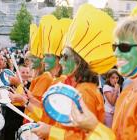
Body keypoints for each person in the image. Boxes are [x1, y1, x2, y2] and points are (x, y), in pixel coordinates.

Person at [31, 4, 116, 139]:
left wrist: (50, 132)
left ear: (79, 62)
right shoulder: (80, 88)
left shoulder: (85, 93)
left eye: (65, 57)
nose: (62, 62)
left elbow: (83, 137)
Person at [70, 1, 137, 139]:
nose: (116, 54)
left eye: (124, 47)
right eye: (115, 47)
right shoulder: (125, 94)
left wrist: (94, 127)